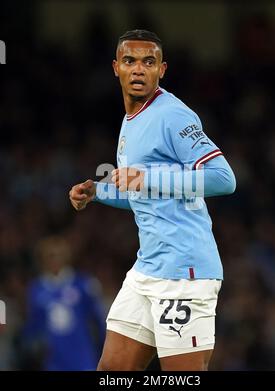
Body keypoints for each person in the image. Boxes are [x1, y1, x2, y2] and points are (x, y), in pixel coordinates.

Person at [69, 29, 236, 371]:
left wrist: (146, 177)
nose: (139, 69)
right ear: (116, 67)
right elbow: (146, 197)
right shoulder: (131, 120)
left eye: (149, 62)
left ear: (162, 69)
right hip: (147, 270)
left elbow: (224, 179)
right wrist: (98, 192)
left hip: (184, 272)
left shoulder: (172, 115)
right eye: (130, 61)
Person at [22, 235, 106, 371]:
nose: (55, 260)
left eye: (58, 255)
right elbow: (33, 325)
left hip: (83, 357)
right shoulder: (36, 289)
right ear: (42, 258)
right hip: (53, 359)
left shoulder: (83, 284)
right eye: (50, 255)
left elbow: (98, 321)